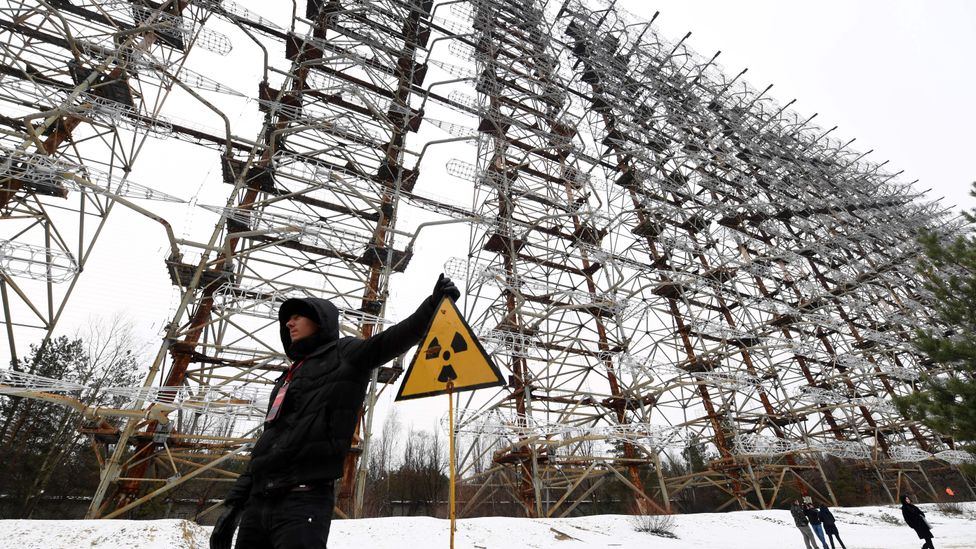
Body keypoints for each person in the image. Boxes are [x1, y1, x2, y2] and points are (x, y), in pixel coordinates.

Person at [210, 274, 461, 549]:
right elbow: (265, 445)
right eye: (287, 320)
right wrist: (234, 505)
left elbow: (388, 342)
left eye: (297, 317)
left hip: (302, 502)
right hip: (258, 504)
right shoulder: (287, 377)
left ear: (319, 320)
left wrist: (431, 307)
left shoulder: (345, 353)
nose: (289, 323)